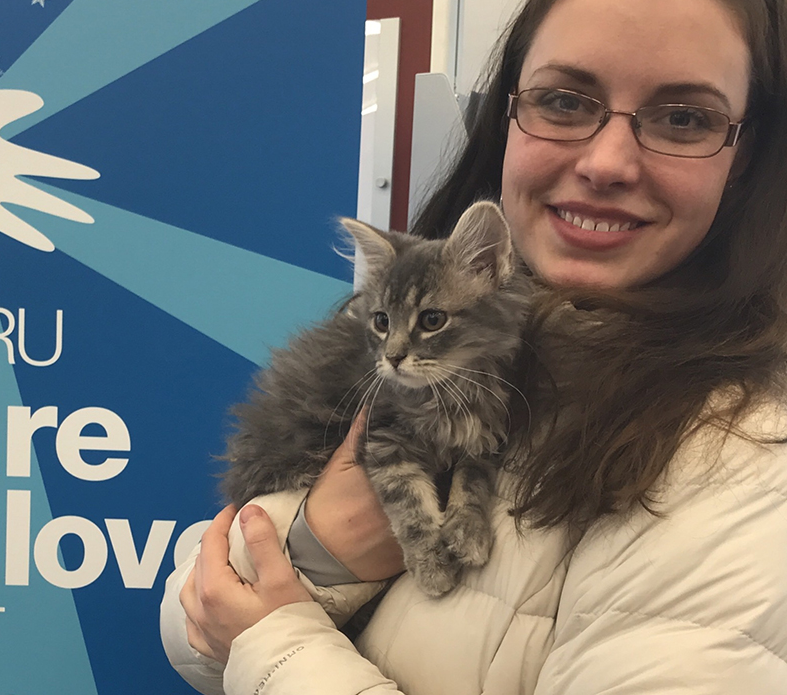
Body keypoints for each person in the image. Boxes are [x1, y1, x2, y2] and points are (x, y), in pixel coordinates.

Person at [160, 0, 787, 692]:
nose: (607, 162)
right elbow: (200, 605)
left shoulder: (744, 459)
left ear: (748, 152)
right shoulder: (498, 345)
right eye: (564, 100)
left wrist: (273, 643)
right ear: (507, 115)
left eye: (683, 118)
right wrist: (319, 552)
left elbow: (241, 631)